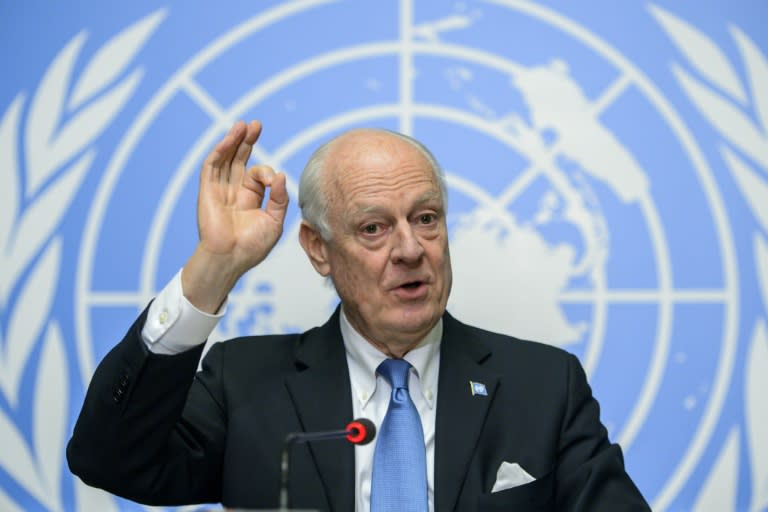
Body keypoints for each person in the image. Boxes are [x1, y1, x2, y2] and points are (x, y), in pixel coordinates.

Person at [67, 120, 650, 511]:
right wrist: (212, 269)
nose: (410, 249)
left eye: (426, 218)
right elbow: (110, 461)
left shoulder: (543, 385)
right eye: (373, 228)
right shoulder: (244, 383)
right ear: (319, 249)